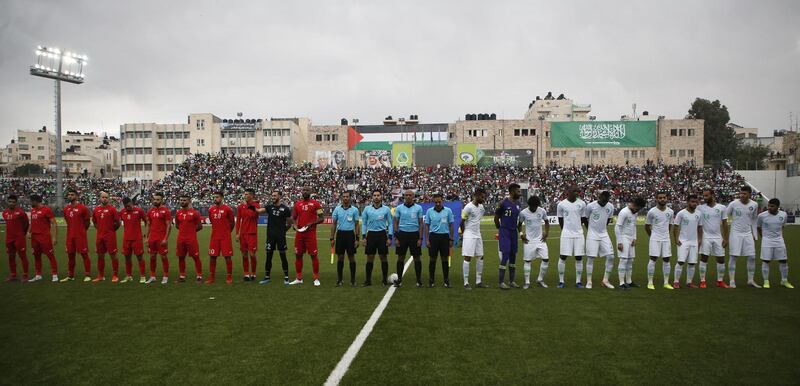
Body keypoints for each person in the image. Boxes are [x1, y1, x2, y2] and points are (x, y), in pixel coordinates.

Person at [289, 186, 325, 286]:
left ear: (310, 192)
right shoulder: (297, 204)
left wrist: (312, 223)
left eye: (307, 190)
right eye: (303, 190)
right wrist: (294, 225)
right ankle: (299, 278)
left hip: (310, 234)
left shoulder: (316, 204)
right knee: (298, 255)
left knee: (313, 255)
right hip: (300, 234)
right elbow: (293, 217)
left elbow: (322, 218)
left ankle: (316, 278)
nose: (305, 191)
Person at [726, 185, 760, 288]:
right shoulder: (733, 204)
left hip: (747, 233)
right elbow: (726, 215)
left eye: (744, 193)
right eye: (741, 193)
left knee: (752, 257)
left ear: (750, 194)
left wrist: (755, 234)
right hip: (735, 233)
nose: (742, 195)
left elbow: (754, 220)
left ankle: (750, 280)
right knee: (733, 257)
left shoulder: (754, 205)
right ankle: (732, 281)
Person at [757, 198, 793, 289]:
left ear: (777, 207)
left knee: (783, 261)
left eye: (772, 206)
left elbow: (782, 226)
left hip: (779, 241)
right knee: (766, 261)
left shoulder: (783, 214)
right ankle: (766, 281)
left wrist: (777, 235)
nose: (769, 208)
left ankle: (784, 281)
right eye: (769, 206)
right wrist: (764, 237)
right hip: (767, 241)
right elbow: (758, 227)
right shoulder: (761, 216)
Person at [583, 190, 616, 289]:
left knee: (611, 257)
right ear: (599, 197)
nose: (604, 202)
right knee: (590, 258)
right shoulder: (590, 206)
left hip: (604, 234)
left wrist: (602, 230)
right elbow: (585, 219)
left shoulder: (610, 206)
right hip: (592, 235)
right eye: (603, 199)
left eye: (606, 200)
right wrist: (590, 230)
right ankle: (589, 281)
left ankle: (605, 280)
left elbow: (608, 220)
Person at [698, 188, 730, 289]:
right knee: (704, 259)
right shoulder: (700, 208)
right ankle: (702, 281)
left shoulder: (722, 208)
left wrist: (726, 238)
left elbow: (725, 224)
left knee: (721, 259)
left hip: (718, 237)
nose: (704, 198)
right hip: (705, 237)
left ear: (712, 195)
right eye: (704, 196)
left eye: (707, 196)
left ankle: (720, 281)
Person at [259, 191, 292, 285]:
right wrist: (251, 203)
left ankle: (286, 277)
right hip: (270, 236)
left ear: (279, 196)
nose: (273, 197)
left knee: (283, 256)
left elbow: (289, 223)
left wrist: (283, 231)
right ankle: (267, 277)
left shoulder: (285, 209)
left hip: (280, 237)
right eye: (272, 195)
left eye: (275, 195)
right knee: (268, 256)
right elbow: (259, 211)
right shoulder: (269, 207)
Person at [556, 186, 587, 288]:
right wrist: (565, 230)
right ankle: (561, 281)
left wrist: (577, 226)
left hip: (578, 234)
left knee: (579, 257)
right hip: (566, 234)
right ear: (568, 192)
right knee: (563, 257)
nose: (576, 193)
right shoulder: (561, 204)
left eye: (577, 191)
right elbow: (560, 220)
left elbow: (583, 218)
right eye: (574, 191)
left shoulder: (582, 204)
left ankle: (578, 282)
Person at [361, 190, 393, 286]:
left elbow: (390, 223)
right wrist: (363, 237)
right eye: (374, 195)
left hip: (382, 235)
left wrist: (390, 237)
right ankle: (368, 280)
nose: (376, 197)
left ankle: (384, 280)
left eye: (378, 195)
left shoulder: (386, 209)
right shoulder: (367, 209)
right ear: (372, 197)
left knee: (383, 257)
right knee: (370, 258)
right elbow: (364, 223)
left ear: (381, 197)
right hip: (371, 235)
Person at [393, 189, 424, 287]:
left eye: (410, 195)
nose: (408, 196)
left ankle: (418, 280)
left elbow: (420, 224)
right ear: (404, 196)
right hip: (402, 235)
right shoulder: (399, 208)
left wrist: (420, 238)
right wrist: (396, 238)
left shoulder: (418, 208)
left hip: (414, 235)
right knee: (401, 257)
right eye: (406, 195)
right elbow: (396, 223)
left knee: (417, 258)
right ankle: (399, 279)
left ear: (413, 196)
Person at [644, 191, 674, 290]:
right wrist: (652, 236)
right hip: (655, 238)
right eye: (660, 198)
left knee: (666, 259)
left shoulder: (670, 211)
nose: (662, 199)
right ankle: (650, 282)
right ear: (657, 199)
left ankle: (666, 282)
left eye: (664, 197)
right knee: (653, 259)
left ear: (667, 198)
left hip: (666, 238)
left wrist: (667, 235)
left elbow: (670, 225)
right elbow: (647, 226)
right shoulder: (652, 211)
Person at [672, 194, 703, 289]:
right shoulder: (681, 213)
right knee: (681, 261)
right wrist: (676, 239)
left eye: (696, 202)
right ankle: (676, 282)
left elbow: (700, 227)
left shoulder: (699, 214)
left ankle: (689, 282)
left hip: (694, 242)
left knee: (692, 263)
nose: (694, 204)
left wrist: (700, 239)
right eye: (692, 202)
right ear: (688, 202)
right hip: (683, 241)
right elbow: (676, 226)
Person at [614, 197, 646, 289]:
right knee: (623, 259)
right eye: (638, 208)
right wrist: (619, 242)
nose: (638, 210)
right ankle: (621, 283)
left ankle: (629, 281)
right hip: (623, 237)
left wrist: (634, 238)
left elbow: (634, 226)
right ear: (634, 204)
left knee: (630, 260)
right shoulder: (624, 212)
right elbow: (617, 227)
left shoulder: (635, 213)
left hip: (631, 238)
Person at [495, 183, 522, 289]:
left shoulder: (518, 204)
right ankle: (501, 282)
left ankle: (512, 281)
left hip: (513, 232)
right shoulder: (503, 203)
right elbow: (496, 218)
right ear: (511, 192)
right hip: (505, 232)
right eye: (518, 191)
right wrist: (501, 229)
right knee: (505, 255)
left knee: (513, 256)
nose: (519, 193)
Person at [424, 193, 454, 288]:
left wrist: (451, 238)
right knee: (432, 259)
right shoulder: (429, 211)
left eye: (439, 201)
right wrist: (427, 240)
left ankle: (446, 280)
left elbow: (451, 225)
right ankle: (431, 280)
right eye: (436, 202)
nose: (437, 203)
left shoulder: (448, 211)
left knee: (444, 259)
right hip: (433, 237)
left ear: (442, 201)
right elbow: (427, 226)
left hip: (445, 237)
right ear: (433, 201)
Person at [519, 195, 549, 289]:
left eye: (536, 206)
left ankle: (540, 279)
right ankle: (527, 282)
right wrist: (521, 234)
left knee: (546, 259)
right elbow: (519, 224)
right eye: (533, 206)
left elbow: (547, 222)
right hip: (529, 241)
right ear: (529, 205)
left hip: (540, 240)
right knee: (527, 261)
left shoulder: (542, 211)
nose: (534, 208)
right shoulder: (523, 213)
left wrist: (546, 233)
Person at [331, 190, 360, 286]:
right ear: (341, 198)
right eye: (344, 196)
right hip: (340, 235)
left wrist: (357, 239)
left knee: (351, 257)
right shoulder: (337, 209)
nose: (345, 198)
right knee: (340, 257)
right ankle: (339, 280)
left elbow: (356, 225)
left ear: (350, 198)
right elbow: (334, 224)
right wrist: (332, 238)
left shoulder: (355, 210)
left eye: (347, 196)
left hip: (350, 235)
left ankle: (353, 280)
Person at [62, 189, 91, 282]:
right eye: (69, 194)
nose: (70, 196)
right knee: (70, 256)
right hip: (70, 236)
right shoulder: (66, 208)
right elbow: (67, 221)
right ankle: (70, 276)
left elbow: (87, 222)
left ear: (77, 196)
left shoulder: (83, 208)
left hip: (80, 236)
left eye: (72, 194)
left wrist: (82, 230)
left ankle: (87, 275)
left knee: (84, 255)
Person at [461, 187, 487, 290]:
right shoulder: (468, 207)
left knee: (480, 256)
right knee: (468, 257)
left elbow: (477, 219)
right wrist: (463, 235)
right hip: (469, 235)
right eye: (482, 197)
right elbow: (462, 222)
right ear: (476, 195)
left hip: (478, 234)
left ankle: (478, 281)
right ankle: (466, 282)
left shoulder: (481, 207)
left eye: (484, 197)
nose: (483, 199)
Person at [92, 191, 121, 282]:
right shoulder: (96, 210)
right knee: (100, 256)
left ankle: (115, 275)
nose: (104, 199)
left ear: (108, 199)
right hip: (99, 236)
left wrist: (111, 231)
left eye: (106, 197)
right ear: (100, 198)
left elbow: (118, 223)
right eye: (103, 197)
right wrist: (100, 229)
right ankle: (101, 276)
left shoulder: (112, 209)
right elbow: (94, 222)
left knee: (113, 255)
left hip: (110, 236)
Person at [28, 194, 58, 282]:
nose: (30, 203)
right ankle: (38, 275)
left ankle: (55, 274)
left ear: (36, 201)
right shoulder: (33, 210)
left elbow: (54, 223)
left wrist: (54, 237)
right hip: (34, 238)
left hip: (44, 237)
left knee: (50, 256)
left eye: (31, 201)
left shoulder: (46, 210)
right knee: (36, 256)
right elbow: (32, 223)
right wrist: (29, 232)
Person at [207, 191, 235, 284]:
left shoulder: (228, 209)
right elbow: (212, 221)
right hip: (214, 237)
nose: (216, 199)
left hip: (225, 237)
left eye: (217, 197)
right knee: (212, 257)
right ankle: (211, 277)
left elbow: (232, 223)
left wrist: (227, 232)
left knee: (227, 257)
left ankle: (229, 277)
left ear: (222, 198)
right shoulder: (211, 209)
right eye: (215, 197)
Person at [175, 194, 203, 283]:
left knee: (196, 257)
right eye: (181, 200)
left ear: (189, 201)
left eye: (184, 200)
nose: (182, 202)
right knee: (181, 257)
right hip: (180, 239)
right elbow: (177, 225)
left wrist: (191, 232)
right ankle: (182, 276)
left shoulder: (195, 213)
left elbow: (200, 226)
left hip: (191, 239)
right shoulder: (178, 213)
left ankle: (199, 276)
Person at [145, 192, 172, 284]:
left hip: (161, 238)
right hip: (152, 238)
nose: (155, 201)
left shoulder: (166, 211)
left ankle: (165, 276)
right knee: (152, 257)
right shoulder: (150, 211)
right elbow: (148, 225)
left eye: (158, 199)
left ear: (162, 200)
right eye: (154, 199)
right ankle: (152, 276)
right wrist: (146, 237)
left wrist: (166, 238)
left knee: (163, 257)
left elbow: (169, 226)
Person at [119, 197, 147, 283]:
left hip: (137, 239)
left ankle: (142, 276)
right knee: (127, 258)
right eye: (126, 206)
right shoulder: (122, 212)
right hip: (126, 239)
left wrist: (146, 233)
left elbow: (147, 221)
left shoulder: (139, 211)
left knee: (139, 257)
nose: (128, 207)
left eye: (129, 205)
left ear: (131, 203)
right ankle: (128, 276)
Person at [3, 195, 29, 282]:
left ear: (16, 203)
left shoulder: (21, 213)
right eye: (10, 201)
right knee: (11, 256)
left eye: (13, 202)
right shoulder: (5, 213)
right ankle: (13, 275)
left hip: (19, 238)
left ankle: (25, 275)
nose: (11, 203)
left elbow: (26, 224)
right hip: (9, 238)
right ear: (7, 202)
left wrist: (23, 233)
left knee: (22, 256)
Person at [236, 189, 260, 281]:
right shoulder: (241, 206)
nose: (245, 196)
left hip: (252, 233)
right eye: (244, 194)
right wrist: (237, 233)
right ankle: (246, 274)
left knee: (252, 254)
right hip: (243, 234)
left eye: (247, 194)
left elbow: (253, 215)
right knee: (244, 254)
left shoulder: (256, 206)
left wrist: (249, 207)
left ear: (252, 196)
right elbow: (238, 220)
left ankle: (253, 273)